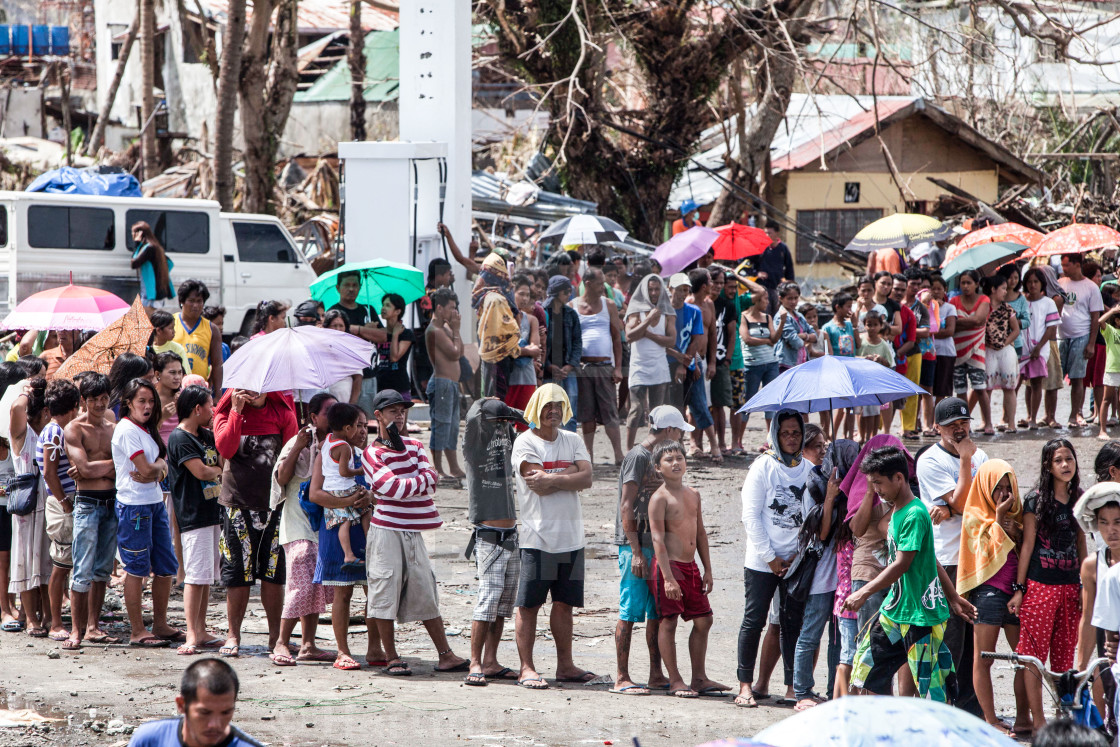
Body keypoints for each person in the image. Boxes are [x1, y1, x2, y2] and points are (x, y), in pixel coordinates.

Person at [844, 446, 977, 701]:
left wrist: (863, 591)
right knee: (867, 669)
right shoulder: (895, 509)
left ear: (899, 478)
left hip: (920, 616)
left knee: (931, 688)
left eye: (879, 483)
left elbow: (903, 563)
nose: (877, 490)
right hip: (895, 612)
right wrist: (953, 597)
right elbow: (931, 559)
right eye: (872, 484)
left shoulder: (915, 513)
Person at [362, 389, 467, 675]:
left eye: (402, 410)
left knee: (425, 590)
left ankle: (446, 654)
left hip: (413, 531)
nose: (399, 415)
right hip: (386, 531)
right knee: (384, 592)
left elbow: (432, 482)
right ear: (379, 416)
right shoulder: (372, 453)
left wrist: (412, 484)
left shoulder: (415, 445)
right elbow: (392, 487)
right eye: (393, 410)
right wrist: (417, 483)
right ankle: (392, 657)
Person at [511, 384, 596, 689]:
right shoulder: (524, 443)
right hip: (538, 538)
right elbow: (538, 484)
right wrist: (570, 472)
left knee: (564, 604)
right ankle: (527, 667)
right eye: (548, 406)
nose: (554, 411)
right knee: (529, 606)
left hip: (571, 537)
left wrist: (556, 476)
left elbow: (587, 479)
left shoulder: (572, 439)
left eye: (559, 406)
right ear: (536, 409)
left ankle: (566, 666)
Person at [212, 388, 298, 658]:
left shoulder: (283, 413)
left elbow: (292, 457)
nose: (255, 391)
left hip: (275, 505)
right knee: (237, 573)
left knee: (274, 574)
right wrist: (237, 412)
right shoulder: (225, 413)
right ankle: (233, 635)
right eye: (248, 385)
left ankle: (276, 638)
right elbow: (225, 448)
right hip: (237, 503)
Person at [917, 395, 989, 715]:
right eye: (952, 426)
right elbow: (964, 505)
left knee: (977, 639)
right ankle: (944, 706)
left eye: (964, 423)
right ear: (937, 428)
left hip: (978, 558)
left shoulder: (982, 456)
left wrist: (951, 507)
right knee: (950, 639)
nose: (960, 430)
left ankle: (969, 708)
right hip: (946, 560)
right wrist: (963, 461)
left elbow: (985, 505)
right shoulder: (930, 461)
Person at [735, 410, 811, 708]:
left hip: (796, 561)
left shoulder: (808, 469)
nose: (792, 438)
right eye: (785, 433)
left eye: (796, 432)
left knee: (792, 622)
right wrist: (770, 557)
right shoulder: (763, 467)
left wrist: (797, 555)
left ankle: (792, 687)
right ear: (775, 436)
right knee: (753, 621)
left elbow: (810, 519)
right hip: (761, 561)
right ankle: (745, 686)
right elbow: (750, 516)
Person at [1010, 438, 1087, 735]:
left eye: (1069, 459)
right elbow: (1027, 545)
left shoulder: (1080, 497)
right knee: (1032, 656)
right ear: (1048, 466)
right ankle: (1039, 720)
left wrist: (1083, 583)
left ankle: (1061, 717)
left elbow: (1081, 542)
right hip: (1040, 587)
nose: (1066, 465)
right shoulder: (1035, 499)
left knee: (1065, 656)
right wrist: (1019, 588)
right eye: (1059, 460)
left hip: (1071, 588)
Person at [613, 405, 690, 695]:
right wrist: (634, 551)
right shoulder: (638, 457)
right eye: (680, 431)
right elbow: (626, 504)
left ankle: (656, 674)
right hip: (635, 544)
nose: (681, 438)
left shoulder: (660, 458)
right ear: (669, 430)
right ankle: (621, 676)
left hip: (655, 545)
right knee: (630, 610)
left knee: (655, 612)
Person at [956, 460, 1031, 737]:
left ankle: (1023, 717)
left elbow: (1028, 550)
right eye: (996, 488)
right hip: (987, 594)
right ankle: (990, 720)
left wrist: (1015, 530)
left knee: (1024, 659)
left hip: (1015, 593)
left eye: (1007, 488)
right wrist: (998, 522)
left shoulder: (1020, 516)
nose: (1002, 494)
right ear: (986, 488)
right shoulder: (975, 515)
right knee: (983, 659)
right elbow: (981, 554)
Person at [646, 440, 724, 698]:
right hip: (669, 568)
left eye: (679, 457)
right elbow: (657, 539)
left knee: (704, 620)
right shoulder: (659, 498)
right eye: (669, 460)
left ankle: (699, 677)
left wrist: (708, 570)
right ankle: (676, 679)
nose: (676, 463)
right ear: (658, 468)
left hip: (691, 567)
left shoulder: (693, 494)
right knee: (668, 622)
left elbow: (700, 532)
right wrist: (668, 578)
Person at [112, 378, 181, 647]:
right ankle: (138, 631)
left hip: (154, 502)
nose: (148, 405)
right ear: (128, 403)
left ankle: (160, 624)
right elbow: (145, 469)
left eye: (151, 401)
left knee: (166, 567)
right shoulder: (127, 430)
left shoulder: (147, 429)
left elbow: (157, 467)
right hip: (134, 507)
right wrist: (158, 468)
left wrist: (159, 467)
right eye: (142, 400)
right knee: (137, 569)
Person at [462, 398, 526, 686]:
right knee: (487, 601)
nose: (502, 424)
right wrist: (498, 407)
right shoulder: (474, 443)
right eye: (497, 419)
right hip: (488, 534)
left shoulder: (506, 436)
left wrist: (506, 416)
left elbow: (530, 420)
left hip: (511, 534)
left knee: (503, 604)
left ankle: (491, 661)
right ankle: (475, 662)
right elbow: (477, 412)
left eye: (504, 421)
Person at [270, 392, 336, 666]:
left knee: (317, 582)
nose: (333, 416)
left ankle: (308, 644)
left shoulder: (334, 444)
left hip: (322, 521)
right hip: (297, 520)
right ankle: (282, 642)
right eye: (328, 412)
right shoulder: (297, 442)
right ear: (313, 416)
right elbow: (282, 479)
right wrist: (298, 445)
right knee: (301, 578)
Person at [167, 385, 224, 656]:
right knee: (195, 576)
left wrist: (218, 469)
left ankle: (201, 629)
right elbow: (201, 471)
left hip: (212, 512)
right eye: (210, 406)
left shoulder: (206, 435)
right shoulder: (180, 438)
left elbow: (222, 458)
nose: (213, 411)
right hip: (193, 514)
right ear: (197, 409)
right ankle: (191, 634)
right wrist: (219, 470)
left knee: (206, 577)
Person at [64, 372, 121, 648]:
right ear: (83, 401)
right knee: (82, 569)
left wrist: (95, 469)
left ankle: (93, 627)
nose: (100, 404)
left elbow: (120, 467)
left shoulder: (113, 428)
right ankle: (76, 630)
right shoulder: (74, 429)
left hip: (111, 501)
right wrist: (107, 467)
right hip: (86, 503)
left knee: (102, 570)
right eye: (94, 399)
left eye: (104, 398)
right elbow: (83, 469)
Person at [1, 369, 50, 639]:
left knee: (47, 565)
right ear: (42, 412)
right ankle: (31, 619)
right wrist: (24, 388)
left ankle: (48, 616)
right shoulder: (22, 433)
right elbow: (16, 408)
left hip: (48, 505)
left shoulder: (53, 432)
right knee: (26, 565)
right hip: (27, 507)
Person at [128, 658, 263, 747]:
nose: (215, 725)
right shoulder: (149, 740)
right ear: (181, 705)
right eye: (205, 712)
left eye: (226, 712)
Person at [1073, 476, 1120, 728]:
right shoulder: (1092, 565)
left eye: (1118, 522)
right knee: (1106, 724)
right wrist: (1081, 668)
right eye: (1104, 523)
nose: (1111, 530)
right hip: (1108, 649)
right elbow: (1089, 618)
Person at [37, 378, 79, 642]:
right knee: (61, 566)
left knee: (66, 564)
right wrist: (65, 504)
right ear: (73, 406)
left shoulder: (54, 431)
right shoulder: (55, 433)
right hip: (61, 504)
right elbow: (51, 474)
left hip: (62, 501)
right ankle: (55, 623)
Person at [571, 267, 624, 464]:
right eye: (600, 283)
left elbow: (617, 338)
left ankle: (618, 454)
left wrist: (618, 367)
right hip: (583, 367)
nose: (604, 287)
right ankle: (589, 455)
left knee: (610, 411)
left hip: (604, 366)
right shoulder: (573, 305)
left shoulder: (609, 305)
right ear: (588, 284)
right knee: (587, 414)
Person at [624, 274, 676, 450]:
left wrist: (648, 333)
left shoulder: (667, 312)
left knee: (657, 412)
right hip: (639, 365)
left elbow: (671, 340)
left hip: (659, 366)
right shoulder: (635, 310)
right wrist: (647, 321)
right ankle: (629, 451)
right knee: (636, 409)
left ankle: (652, 450)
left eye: (656, 289)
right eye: (650, 289)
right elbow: (629, 336)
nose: (654, 293)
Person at [329, 271, 389, 415]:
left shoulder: (367, 310)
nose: (351, 289)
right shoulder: (334, 312)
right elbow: (337, 340)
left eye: (355, 285)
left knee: (366, 421)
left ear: (360, 287)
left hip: (368, 374)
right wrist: (366, 333)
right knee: (345, 419)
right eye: (347, 285)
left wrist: (358, 329)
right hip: (345, 378)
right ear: (338, 288)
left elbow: (383, 336)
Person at [320, 403, 369, 570]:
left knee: (344, 522)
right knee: (366, 508)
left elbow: (322, 450)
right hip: (343, 487)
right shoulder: (345, 447)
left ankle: (348, 555)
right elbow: (344, 472)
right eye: (357, 425)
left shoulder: (327, 440)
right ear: (348, 428)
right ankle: (370, 545)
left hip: (330, 488)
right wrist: (359, 470)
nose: (360, 430)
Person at [1059, 253, 1104, 429]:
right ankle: (1050, 415)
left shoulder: (1091, 287)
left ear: (1077, 264)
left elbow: (1095, 317)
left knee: (1078, 378)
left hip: (1081, 335)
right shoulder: (1061, 283)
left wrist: (1091, 343)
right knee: (1054, 379)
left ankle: (1074, 414)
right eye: (1062, 265)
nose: (1063, 269)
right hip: (1061, 335)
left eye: (1066, 265)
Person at [424, 288, 465, 479]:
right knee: (441, 426)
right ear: (439, 308)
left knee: (453, 427)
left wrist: (455, 330)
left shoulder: (446, 328)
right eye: (451, 308)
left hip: (451, 385)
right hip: (441, 384)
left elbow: (461, 350)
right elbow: (454, 353)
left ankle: (454, 467)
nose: (454, 313)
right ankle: (438, 468)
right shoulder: (434, 330)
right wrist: (456, 330)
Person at [738, 282, 783, 440]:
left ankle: (771, 440)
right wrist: (766, 341)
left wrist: (782, 323)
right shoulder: (744, 316)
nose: (767, 302)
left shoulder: (767, 317)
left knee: (771, 402)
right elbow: (747, 339)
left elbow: (774, 338)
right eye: (765, 299)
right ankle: (738, 440)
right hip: (752, 365)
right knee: (748, 402)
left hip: (770, 363)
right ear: (756, 300)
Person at [1021, 267, 1062, 430]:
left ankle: (1034, 418)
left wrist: (1038, 347)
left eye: (1036, 282)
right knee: (1026, 384)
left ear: (1042, 284)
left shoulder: (1048, 303)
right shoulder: (1022, 301)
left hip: (1040, 348)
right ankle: (1028, 415)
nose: (1032, 285)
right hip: (1023, 348)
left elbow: (1051, 328)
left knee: (1037, 382)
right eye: (1029, 282)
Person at [541, 275, 582, 431]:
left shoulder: (571, 314)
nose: (568, 294)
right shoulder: (543, 313)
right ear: (557, 292)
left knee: (570, 412)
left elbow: (577, 341)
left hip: (567, 370)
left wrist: (570, 365)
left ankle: (569, 449)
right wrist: (548, 366)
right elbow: (540, 343)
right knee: (548, 411)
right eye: (566, 291)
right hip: (547, 371)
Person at [982, 274, 1021, 434]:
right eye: (1003, 288)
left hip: (1005, 351)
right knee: (987, 388)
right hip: (988, 350)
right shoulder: (983, 308)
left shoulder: (1007, 308)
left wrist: (1004, 343)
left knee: (1009, 387)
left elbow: (1016, 330)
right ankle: (987, 422)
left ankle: (1011, 423)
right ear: (993, 289)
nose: (1005, 292)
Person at [172, 281, 224, 393]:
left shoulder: (212, 329)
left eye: (199, 301)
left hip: (199, 391)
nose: (195, 305)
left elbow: (217, 364)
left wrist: (218, 394)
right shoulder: (170, 323)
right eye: (191, 301)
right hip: (172, 389)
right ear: (182, 302)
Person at [822, 292, 857, 437]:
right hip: (837, 370)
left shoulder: (849, 326)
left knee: (851, 406)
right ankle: (832, 434)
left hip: (851, 368)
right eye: (848, 307)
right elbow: (827, 351)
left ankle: (848, 435)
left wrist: (855, 325)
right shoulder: (828, 327)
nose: (850, 310)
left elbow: (858, 344)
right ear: (838, 307)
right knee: (840, 405)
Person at [857, 311, 895, 442]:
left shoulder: (883, 344)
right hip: (862, 381)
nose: (872, 328)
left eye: (875, 325)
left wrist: (880, 359)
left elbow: (889, 363)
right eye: (869, 324)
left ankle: (873, 436)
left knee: (875, 411)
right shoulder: (861, 341)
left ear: (880, 326)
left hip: (876, 382)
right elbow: (853, 357)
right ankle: (862, 435)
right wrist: (864, 358)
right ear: (864, 325)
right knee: (861, 411)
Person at [508, 275, 542, 415]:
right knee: (505, 419)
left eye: (527, 295)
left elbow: (536, 350)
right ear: (511, 293)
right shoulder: (504, 318)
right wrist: (526, 350)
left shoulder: (532, 320)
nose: (525, 299)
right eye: (521, 294)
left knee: (528, 420)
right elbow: (506, 349)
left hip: (527, 377)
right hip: (509, 377)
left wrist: (518, 350)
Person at [375, 293, 414, 401]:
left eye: (387, 305)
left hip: (399, 386)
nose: (383, 308)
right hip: (380, 385)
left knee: (399, 418)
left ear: (398, 311)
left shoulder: (406, 334)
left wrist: (395, 335)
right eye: (383, 305)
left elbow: (395, 357)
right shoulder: (379, 333)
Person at [130, 221, 175, 312]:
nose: (132, 236)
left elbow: (134, 263)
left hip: (150, 295)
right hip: (157, 292)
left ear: (140, 234)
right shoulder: (156, 247)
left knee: (147, 322)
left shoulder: (149, 248)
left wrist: (137, 244)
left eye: (134, 233)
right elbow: (170, 263)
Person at [756, 220, 795, 311]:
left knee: (779, 313)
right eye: (765, 233)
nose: (767, 235)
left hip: (778, 288)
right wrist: (757, 273)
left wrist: (789, 284)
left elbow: (789, 268)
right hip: (763, 288)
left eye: (769, 233)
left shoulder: (783, 248)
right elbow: (750, 264)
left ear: (777, 233)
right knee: (765, 313)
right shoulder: (760, 248)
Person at [1097, 305, 1120, 441]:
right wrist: (1112, 311)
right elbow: (1100, 321)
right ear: (1117, 321)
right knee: (1106, 399)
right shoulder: (1111, 331)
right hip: (1112, 370)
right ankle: (1102, 430)